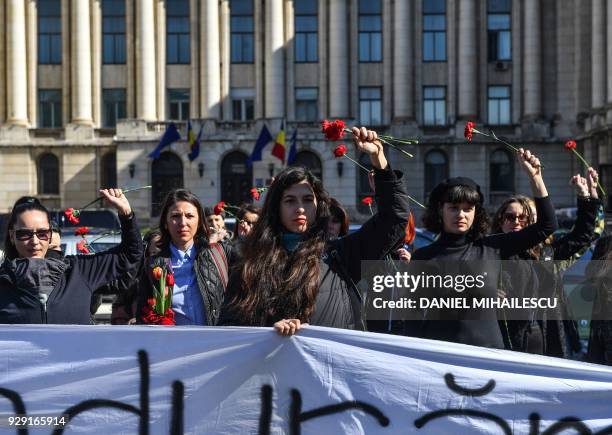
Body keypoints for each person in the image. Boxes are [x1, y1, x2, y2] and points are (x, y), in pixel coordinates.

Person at [219, 126, 410, 335]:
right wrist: (268, 331)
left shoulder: (340, 255)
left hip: (331, 364)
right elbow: (229, 328)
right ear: (276, 208)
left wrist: (378, 159)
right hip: (273, 365)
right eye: (290, 201)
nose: (300, 208)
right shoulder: (250, 260)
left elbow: (394, 219)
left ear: (319, 205)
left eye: (308, 200)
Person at [410, 149, 557, 348]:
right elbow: (412, 320)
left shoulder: (491, 248)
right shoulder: (422, 257)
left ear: (475, 213)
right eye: (453, 208)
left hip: (487, 361)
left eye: (468, 209)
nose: (461, 215)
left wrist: (535, 178)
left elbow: (547, 226)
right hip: (439, 362)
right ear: (440, 210)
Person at [492, 170, 601, 357]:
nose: (516, 222)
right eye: (510, 217)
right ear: (500, 221)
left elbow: (583, 235)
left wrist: (585, 196)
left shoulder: (546, 252)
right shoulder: (487, 252)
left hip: (548, 337)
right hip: (504, 341)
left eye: (523, 218)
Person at [0, 190, 143, 324]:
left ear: (50, 235)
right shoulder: (4, 280)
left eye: (42, 233)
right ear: (12, 236)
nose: (35, 241)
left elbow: (130, 255)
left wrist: (127, 215)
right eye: (25, 234)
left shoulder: (79, 271)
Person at [137, 190, 233, 326]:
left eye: (189, 216)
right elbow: (143, 315)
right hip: (174, 344)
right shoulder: (153, 265)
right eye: (176, 216)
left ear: (199, 221)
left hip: (216, 343)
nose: (183, 222)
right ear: (165, 222)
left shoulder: (219, 253)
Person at [110, 229, 162, 325]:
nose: (161, 261)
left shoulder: (176, 279)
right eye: (154, 255)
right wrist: (135, 320)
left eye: (164, 254)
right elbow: (118, 316)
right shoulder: (132, 283)